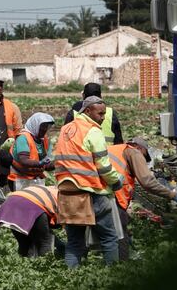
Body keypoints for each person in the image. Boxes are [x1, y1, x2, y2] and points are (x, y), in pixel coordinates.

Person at [53, 96, 124, 268]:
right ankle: (112, 275)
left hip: (67, 193)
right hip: (91, 193)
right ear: (87, 111)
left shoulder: (65, 129)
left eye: (104, 114)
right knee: (109, 237)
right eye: (100, 113)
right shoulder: (93, 131)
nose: (102, 117)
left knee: (74, 242)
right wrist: (116, 181)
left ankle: (72, 278)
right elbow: (104, 167)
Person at [108, 137, 177, 261]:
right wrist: (173, 195)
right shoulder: (134, 151)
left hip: (94, 192)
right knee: (120, 233)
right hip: (111, 195)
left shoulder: (115, 150)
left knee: (92, 234)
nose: (142, 160)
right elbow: (147, 182)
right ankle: (121, 266)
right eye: (144, 156)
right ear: (139, 147)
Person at [0, 185, 65, 258]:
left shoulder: (52, 189)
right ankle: (45, 266)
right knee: (45, 241)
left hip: (11, 202)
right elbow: (60, 223)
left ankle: (24, 265)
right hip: (31, 205)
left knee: (25, 243)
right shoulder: (66, 198)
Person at [8, 112, 55, 191]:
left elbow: (46, 166)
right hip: (20, 179)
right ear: (35, 125)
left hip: (34, 179)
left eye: (47, 127)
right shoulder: (23, 138)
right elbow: (24, 160)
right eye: (42, 127)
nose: (45, 129)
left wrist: (58, 163)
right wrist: (40, 163)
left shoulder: (43, 141)